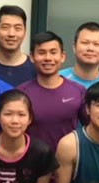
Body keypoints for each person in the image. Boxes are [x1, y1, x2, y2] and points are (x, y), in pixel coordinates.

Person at [17, 31, 87, 165]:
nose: (48, 58)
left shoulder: (78, 91)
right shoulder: (21, 93)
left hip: (68, 167)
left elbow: (90, 131)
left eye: (53, 52)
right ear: (32, 57)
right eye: (41, 53)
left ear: (62, 56)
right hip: (31, 166)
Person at [61, 22, 99, 88]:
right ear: (74, 47)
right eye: (85, 43)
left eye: (96, 44)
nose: (90, 48)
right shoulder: (56, 80)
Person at [0, 5, 35, 87]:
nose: (11, 34)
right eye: (5, 27)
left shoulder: (36, 69)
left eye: (18, 28)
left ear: (25, 32)